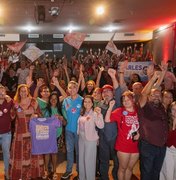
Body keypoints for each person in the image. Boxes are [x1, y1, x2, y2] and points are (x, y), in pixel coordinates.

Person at [9, 84, 44, 179]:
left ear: (28, 91)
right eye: (21, 91)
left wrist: (36, 115)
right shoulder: (16, 103)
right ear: (18, 93)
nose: (23, 93)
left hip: (32, 134)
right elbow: (11, 117)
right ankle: (21, 175)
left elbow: (40, 114)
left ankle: (32, 174)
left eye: (25, 91)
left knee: (32, 155)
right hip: (20, 135)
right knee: (20, 155)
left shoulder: (33, 102)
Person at [138, 71, 168, 180]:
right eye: (153, 94)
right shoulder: (144, 106)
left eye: (158, 95)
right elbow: (143, 93)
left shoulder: (162, 107)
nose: (156, 96)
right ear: (149, 97)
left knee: (156, 173)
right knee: (147, 173)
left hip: (161, 146)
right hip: (148, 146)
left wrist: (164, 72)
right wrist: (154, 77)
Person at [105, 91, 139, 180]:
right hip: (123, 145)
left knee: (130, 168)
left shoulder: (139, 111)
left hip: (136, 146)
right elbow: (107, 120)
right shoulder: (120, 111)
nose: (126, 102)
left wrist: (140, 133)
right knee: (122, 168)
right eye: (124, 100)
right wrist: (110, 107)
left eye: (128, 99)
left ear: (134, 100)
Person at [98, 68, 121, 180]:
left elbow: (118, 90)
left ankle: (116, 176)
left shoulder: (117, 103)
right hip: (102, 137)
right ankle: (104, 178)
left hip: (115, 137)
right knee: (103, 160)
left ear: (112, 93)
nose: (106, 93)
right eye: (104, 91)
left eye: (108, 91)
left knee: (117, 161)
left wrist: (113, 77)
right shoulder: (99, 105)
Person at [78, 95, 104, 180]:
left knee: (89, 161)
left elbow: (101, 126)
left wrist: (99, 114)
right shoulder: (82, 112)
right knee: (81, 160)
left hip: (90, 139)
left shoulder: (95, 113)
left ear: (92, 103)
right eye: (85, 101)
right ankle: (82, 178)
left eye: (89, 101)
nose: (87, 103)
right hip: (81, 138)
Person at [61, 81, 83, 179]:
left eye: (74, 87)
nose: (72, 89)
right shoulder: (66, 100)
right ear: (68, 89)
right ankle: (69, 170)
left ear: (77, 88)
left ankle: (79, 171)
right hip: (68, 130)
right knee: (69, 151)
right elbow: (63, 112)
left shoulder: (82, 100)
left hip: (79, 131)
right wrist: (64, 119)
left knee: (78, 152)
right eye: (70, 87)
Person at [43, 91, 66, 180]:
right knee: (47, 153)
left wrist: (61, 118)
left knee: (54, 153)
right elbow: (42, 121)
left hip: (57, 134)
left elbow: (65, 123)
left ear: (57, 100)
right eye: (51, 99)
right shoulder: (46, 109)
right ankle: (46, 170)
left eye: (55, 99)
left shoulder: (61, 109)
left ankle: (55, 171)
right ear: (49, 100)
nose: (53, 100)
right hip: (47, 134)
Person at [0, 85, 15, 180]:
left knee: (6, 153)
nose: (1, 93)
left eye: (2, 91)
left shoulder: (9, 101)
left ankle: (7, 172)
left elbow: (19, 109)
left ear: (5, 92)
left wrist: (12, 101)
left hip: (6, 133)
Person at [160, 101, 176, 180]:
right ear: (170, 111)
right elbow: (166, 138)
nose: (175, 112)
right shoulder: (166, 121)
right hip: (168, 150)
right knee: (168, 173)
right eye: (173, 109)